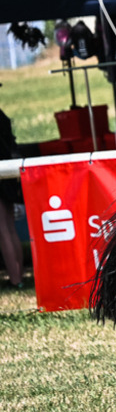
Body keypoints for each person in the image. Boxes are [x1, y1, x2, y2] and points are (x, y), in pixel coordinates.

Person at [0, 106, 24, 289]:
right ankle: (19, 277)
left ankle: (15, 279)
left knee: (3, 230)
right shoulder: (2, 117)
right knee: (9, 227)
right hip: (7, 175)